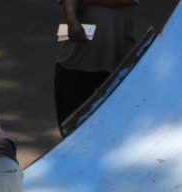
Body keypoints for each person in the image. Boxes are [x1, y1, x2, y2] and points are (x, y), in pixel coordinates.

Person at [55, 0, 138, 132]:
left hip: (116, 65)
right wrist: (71, 18)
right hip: (74, 62)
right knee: (71, 130)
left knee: (114, 131)